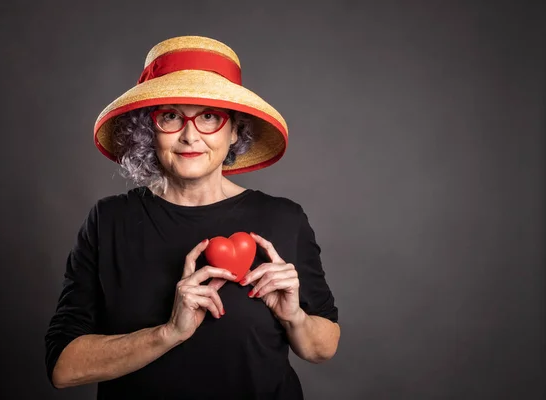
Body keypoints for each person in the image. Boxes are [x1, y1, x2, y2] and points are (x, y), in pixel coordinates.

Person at [45, 35, 340, 400]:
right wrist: (169, 332)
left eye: (210, 117)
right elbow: (63, 368)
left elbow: (321, 347)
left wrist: (293, 316)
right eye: (170, 116)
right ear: (148, 130)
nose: (189, 136)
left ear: (235, 131)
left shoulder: (284, 218)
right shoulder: (109, 220)